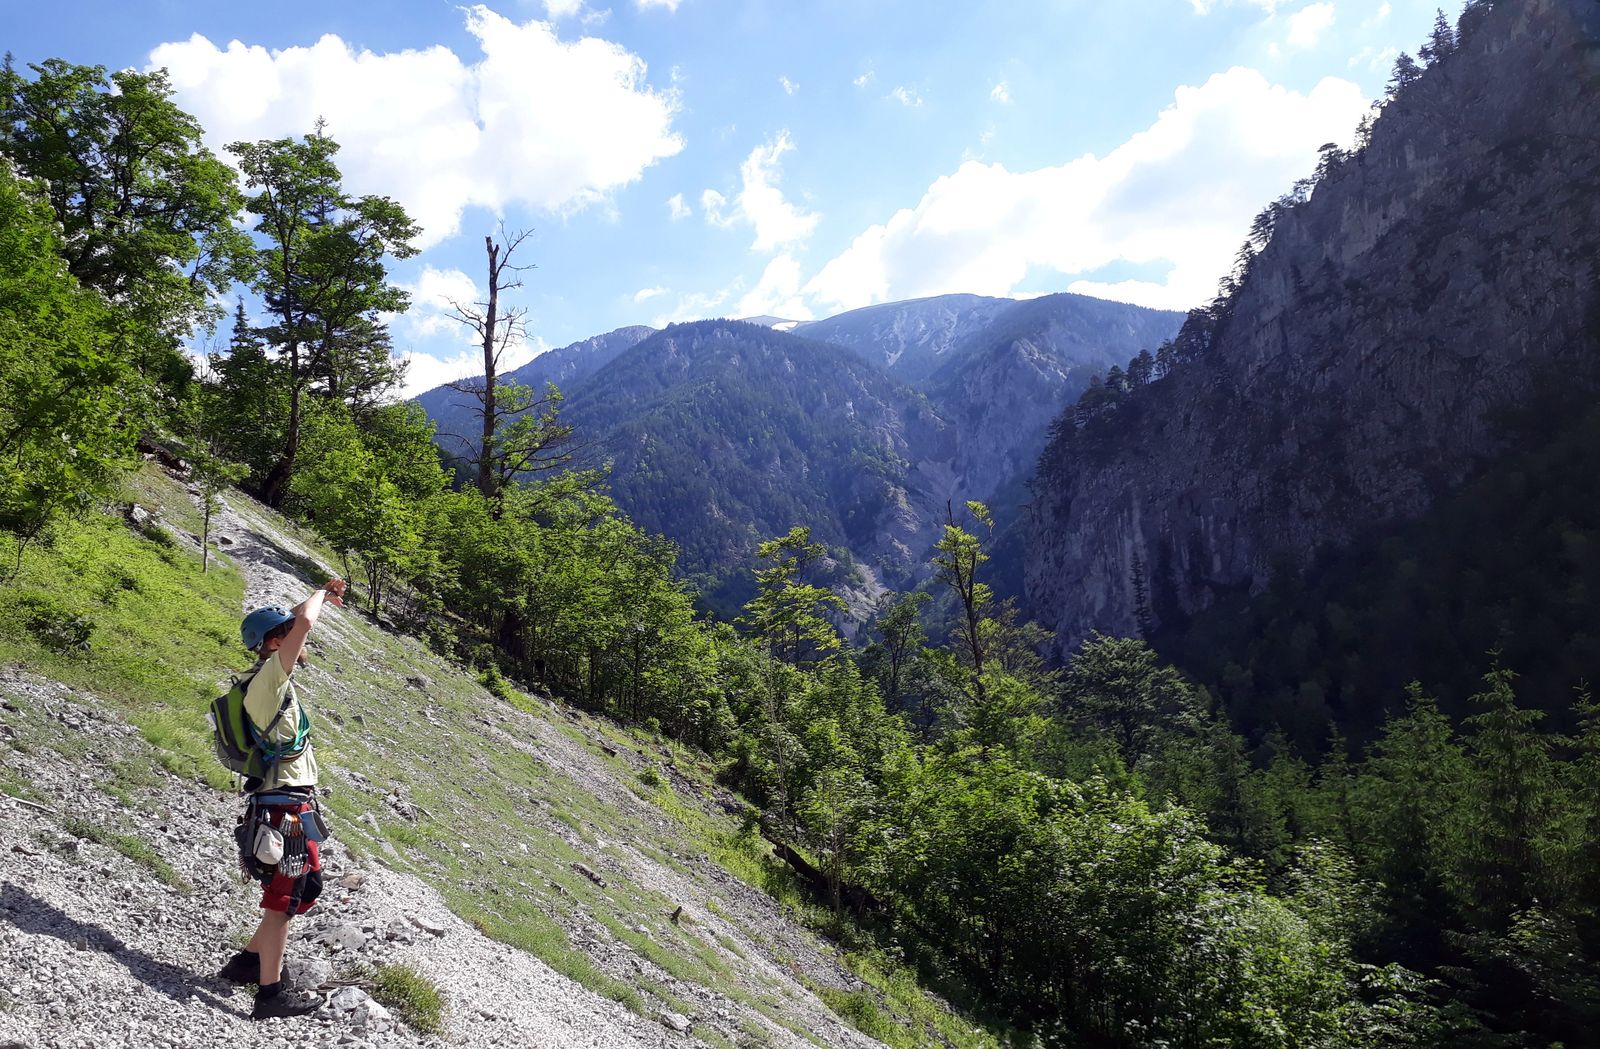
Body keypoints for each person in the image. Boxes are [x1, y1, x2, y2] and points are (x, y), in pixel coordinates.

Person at [216, 578, 346, 1020]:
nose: (297, 639)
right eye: (285, 634)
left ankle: (249, 962)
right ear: (274, 642)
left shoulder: (263, 678)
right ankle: (270, 995)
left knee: (303, 888)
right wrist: (320, 594)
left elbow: (296, 621)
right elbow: (305, 622)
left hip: (285, 803)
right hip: (285, 808)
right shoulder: (270, 679)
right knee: (285, 898)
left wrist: (310, 602)